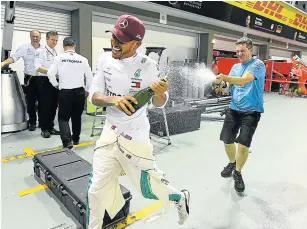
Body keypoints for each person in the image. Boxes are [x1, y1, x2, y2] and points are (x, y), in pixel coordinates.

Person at [86, 15, 190, 229]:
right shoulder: (104, 59)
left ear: (137, 44)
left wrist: (160, 93)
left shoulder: (148, 66)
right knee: (95, 191)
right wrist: (114, 99)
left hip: (135, 137)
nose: (114, 42)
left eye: (121, 40)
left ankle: (179, 197)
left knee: (148, 188)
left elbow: (160, 102)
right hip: (109, 134)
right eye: (113, 36)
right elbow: (94, 96)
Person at [215, 37, 265, 193]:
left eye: (242, 51)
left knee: (243, 145)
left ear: (251, 49)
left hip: (251, 111)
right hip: (233, 109)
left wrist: (226, 78)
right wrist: (221, 85)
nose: (239, 54)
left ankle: (237, 172)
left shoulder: (258, 65)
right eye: (237, 51)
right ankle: (232, 162)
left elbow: (244, 81)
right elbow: (229, 85)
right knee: (227, 140)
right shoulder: (235, 67)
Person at [47, 37, 93, 148]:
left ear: (63, 46)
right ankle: (76, 139)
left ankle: (67, 142)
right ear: (74, 46)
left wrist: (56, 85)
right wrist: (87, 90)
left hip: (65, 92)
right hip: (80, 92)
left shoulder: (59, 58)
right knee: (77, 117)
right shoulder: (83, 59)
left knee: (63, 118)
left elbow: (50, 73)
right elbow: (90, 77)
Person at [1, 30, 42, 131]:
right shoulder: (24, 48)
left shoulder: (45, 49)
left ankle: (43, 123)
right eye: (33, 36)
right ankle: (32, 123)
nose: (35, 38)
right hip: (30, 78)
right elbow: (14, 58)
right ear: (30, 37)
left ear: (40, 37)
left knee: (43, 102)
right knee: (31, 102)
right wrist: (2, 63)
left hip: (43, 78)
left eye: (37, 36)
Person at [35, 31, 60, 138]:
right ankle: (44, 128)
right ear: (47, 39)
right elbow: (37, 67)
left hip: (54, 81)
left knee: (54, 105)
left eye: (56, 40)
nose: (55, 42)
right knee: (45, 105)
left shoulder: (55, 52)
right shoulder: (40, 51)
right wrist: (50, 72)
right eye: (53, 40)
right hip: (44, 80)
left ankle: (50, 127)